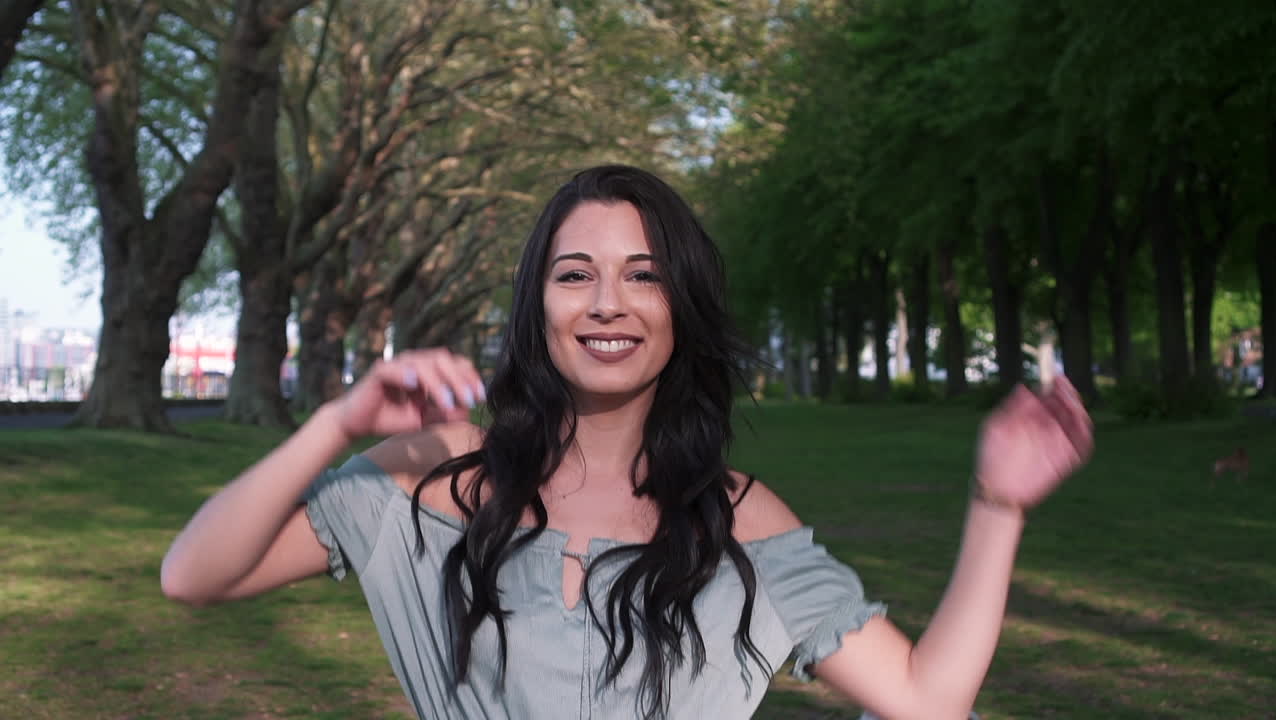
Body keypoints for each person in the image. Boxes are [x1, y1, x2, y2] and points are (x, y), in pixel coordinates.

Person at [161, 165, 1093, 719]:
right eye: (576, 275)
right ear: (539, 308)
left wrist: (999, 504)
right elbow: (194, 574)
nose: (607, 302)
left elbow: (928, 700)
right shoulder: (435, 476)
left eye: (642, 276)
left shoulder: (737, 518)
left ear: (678, 308)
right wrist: (334, 424)